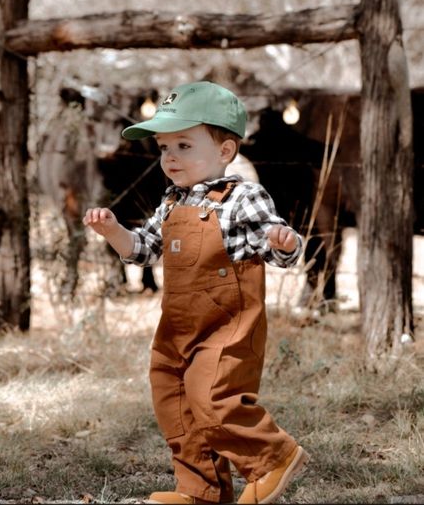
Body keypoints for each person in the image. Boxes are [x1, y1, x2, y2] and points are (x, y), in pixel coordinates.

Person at [83, 81, 309, 504]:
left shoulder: (243, 197)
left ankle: (272, 457)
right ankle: (200, 489)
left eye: (184, 146)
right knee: (174, 398)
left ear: (225, 151)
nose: (169, 158)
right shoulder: (171, 201)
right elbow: (144, 251)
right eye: (164, 148)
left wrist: (284, 241)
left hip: (228, 325)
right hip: (178, 324)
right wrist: (112, 230)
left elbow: (282, 249)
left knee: (212, 398)